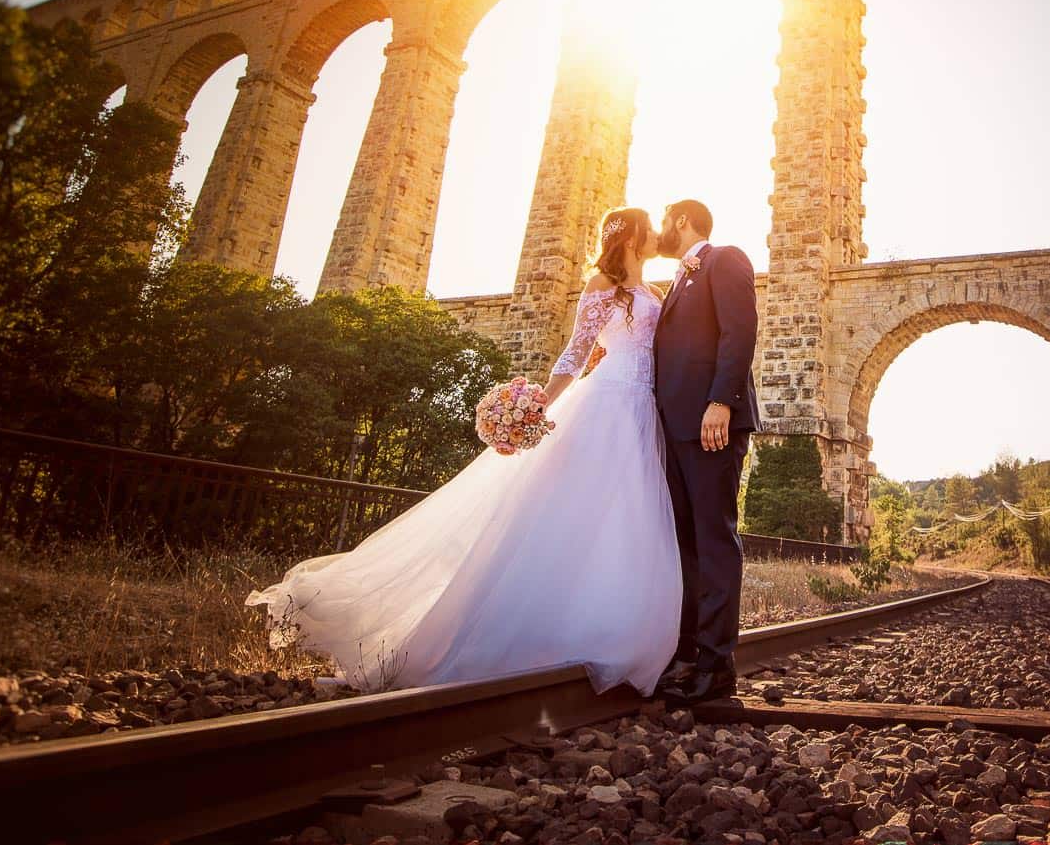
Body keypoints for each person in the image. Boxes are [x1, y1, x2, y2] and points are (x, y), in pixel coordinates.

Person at [245, 207, 682, 696]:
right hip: (605, 403)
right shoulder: (600, 285)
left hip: (641, 407)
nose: (657, 237)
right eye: (650, 229)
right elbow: (576, 353)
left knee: (626, 517)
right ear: (633, 235)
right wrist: (535, 406)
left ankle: (604, 626)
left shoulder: (654, 291)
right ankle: (524, 637)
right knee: (568, 515)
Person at [650, 198, 760, 706]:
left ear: (680, 219)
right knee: (686, 545)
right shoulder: (676, 279)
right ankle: (689, 652)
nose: (658, 228)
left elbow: (739, 332)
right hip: (675, 430)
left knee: (714, 540)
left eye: (662, 218)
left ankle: (717, 665)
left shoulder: (724, 258)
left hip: (711, 424)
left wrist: (721, 401)